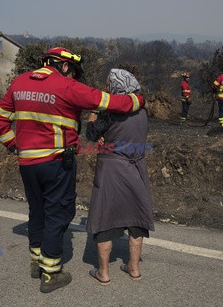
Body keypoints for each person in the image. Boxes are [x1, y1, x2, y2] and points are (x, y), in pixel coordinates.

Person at [0, 48, 145, 293]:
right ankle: (51, 274)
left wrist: (13, 145)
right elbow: (108, 101)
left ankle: (37, 263)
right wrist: (138, 100)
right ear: (64, 66)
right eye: (72, 71)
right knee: (58, 213)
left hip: (27, 164)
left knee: (37, 210)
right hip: (55, 162)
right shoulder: (65, 86)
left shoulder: (19, 83)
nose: (73, 75)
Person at [85, 68, 154, 286]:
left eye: (108, 84)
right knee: (135, 220)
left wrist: (94, 112)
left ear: (116, 87)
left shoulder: (108, 113)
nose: (106, 88)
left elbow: (90, 134)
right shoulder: (142, 111)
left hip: (111, 171)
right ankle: (134, 267)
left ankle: (103, 273)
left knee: (105, 221)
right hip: (136, 168)